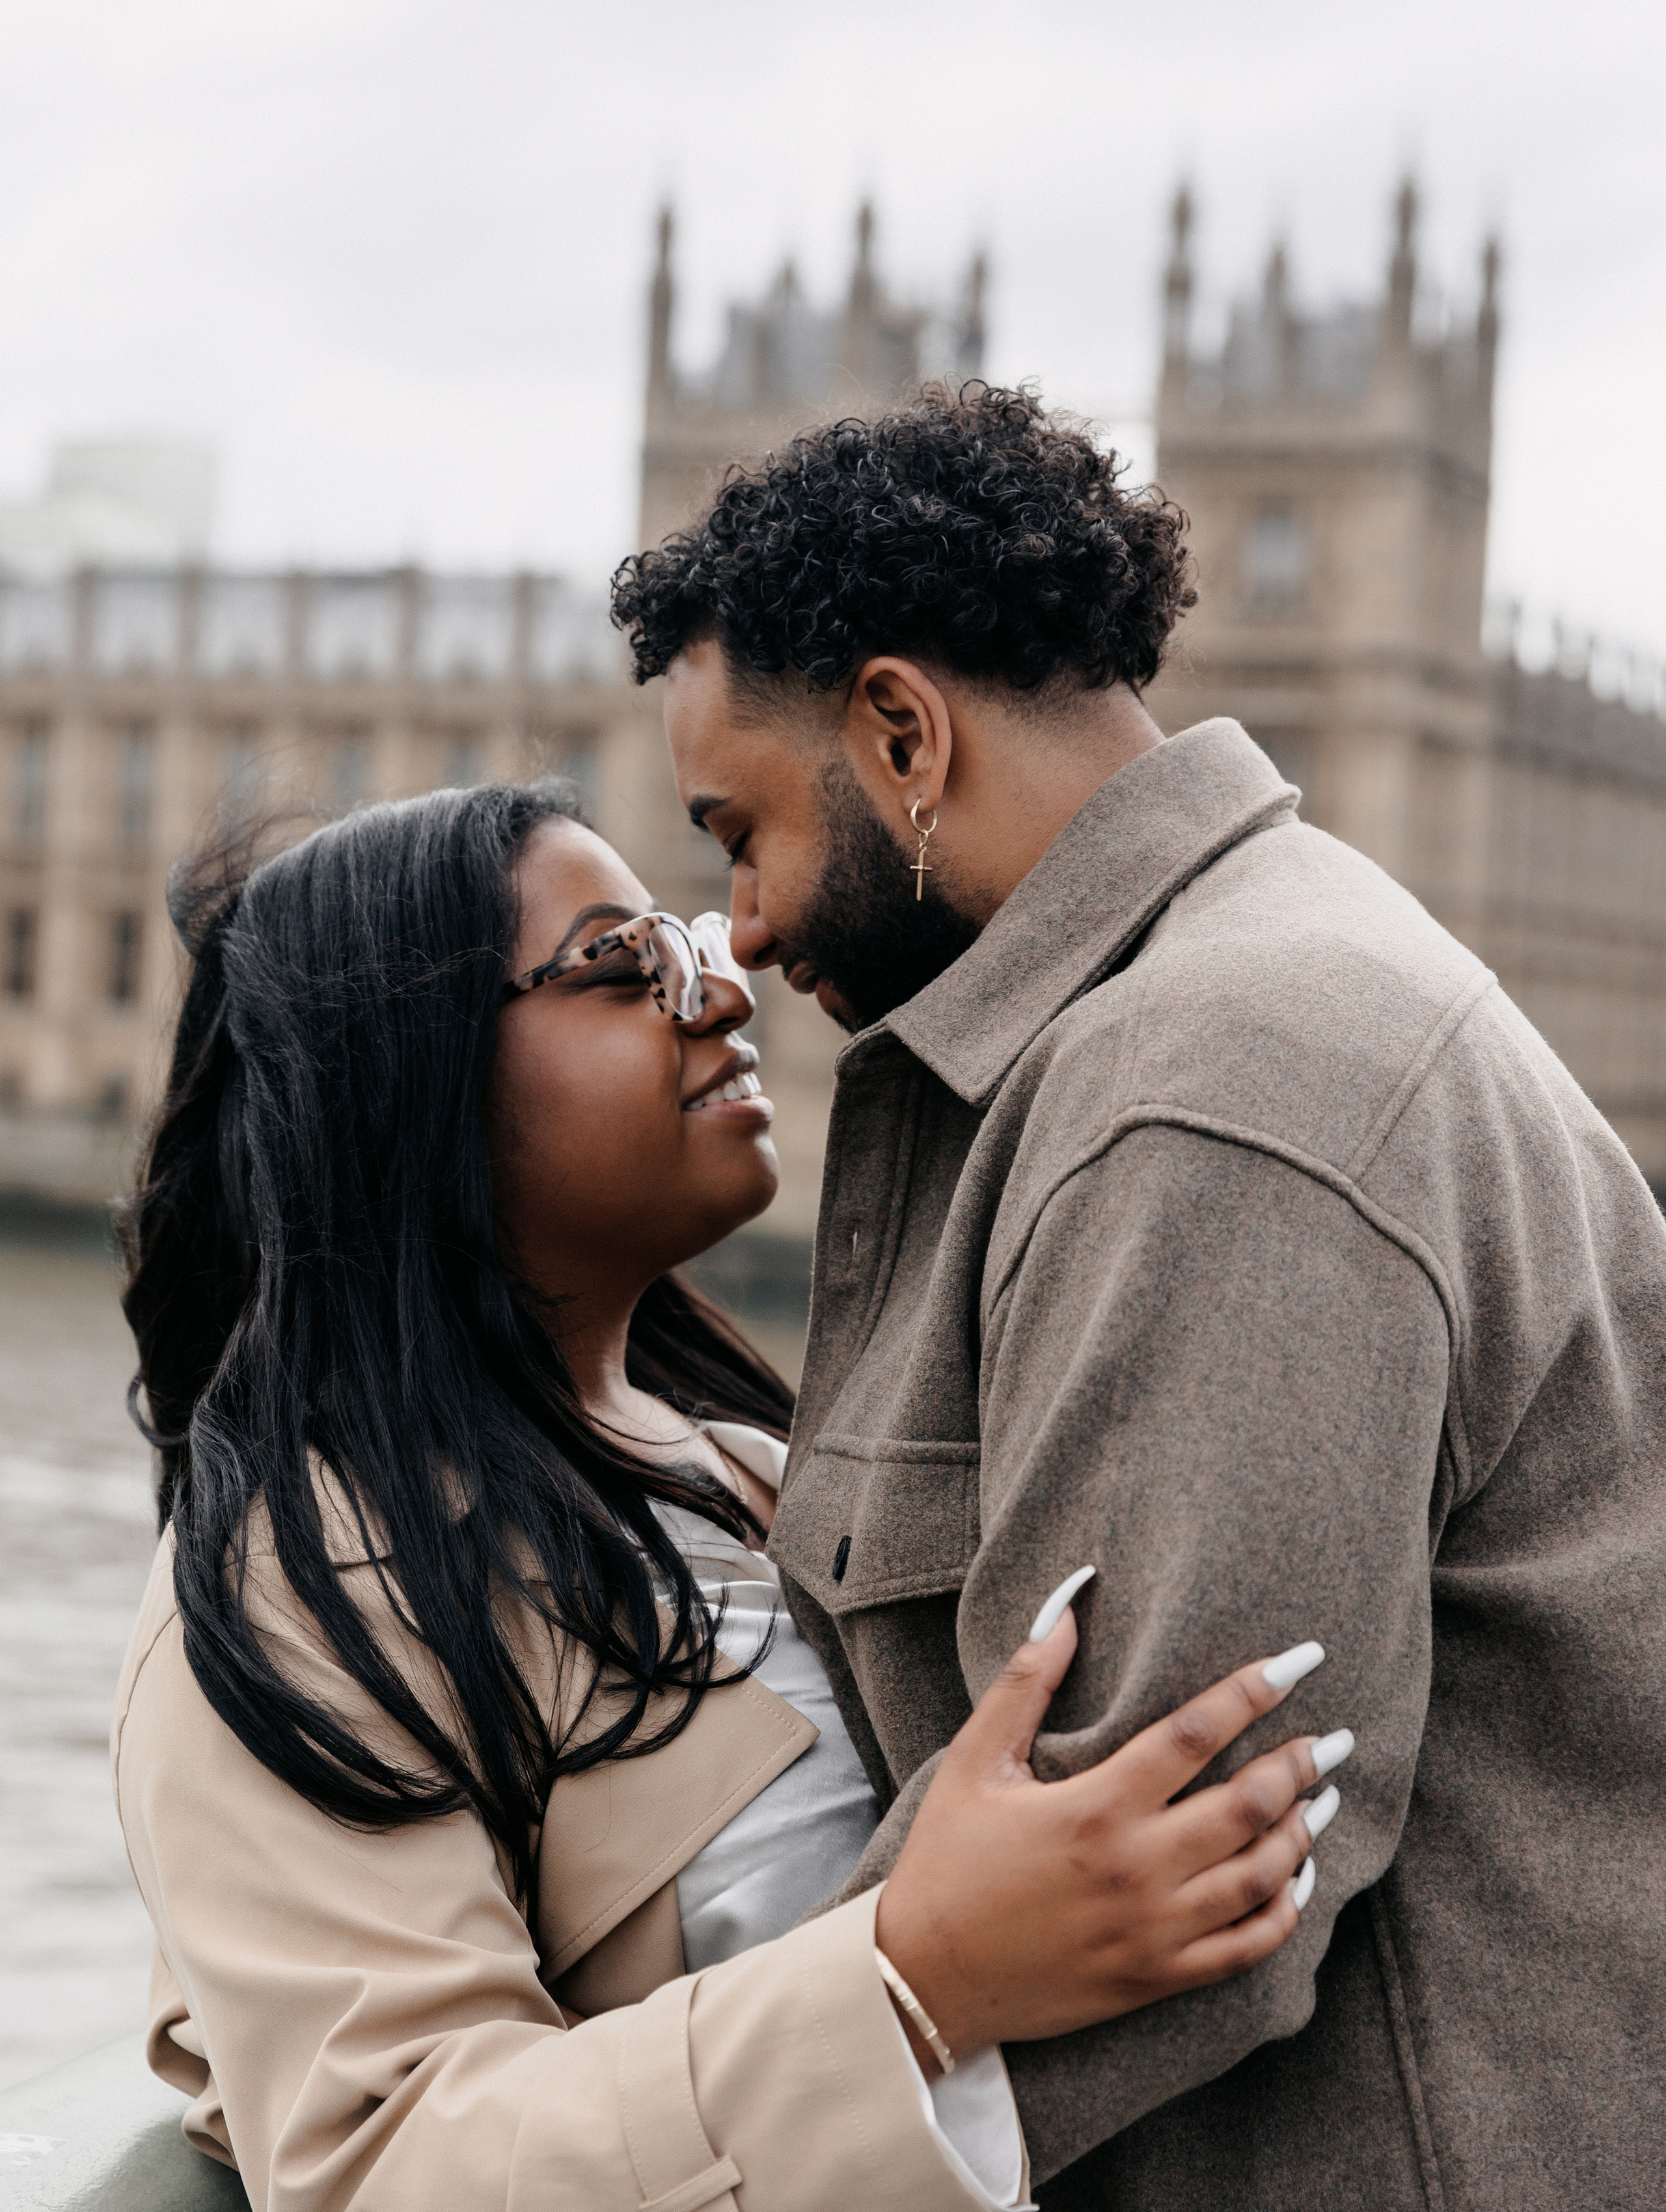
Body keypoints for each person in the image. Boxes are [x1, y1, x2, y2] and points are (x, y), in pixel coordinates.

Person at [612, 380, 1666, 2212]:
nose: (748, 929)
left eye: (738, 831)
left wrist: (629, 2149)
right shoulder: (1202, 999)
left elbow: (1153, 1888)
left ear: (900, 734)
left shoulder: (1211, 1089)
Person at [112, 778, 1347, 2212]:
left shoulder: (759, 1467)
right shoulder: (298, 1585)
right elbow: (384, 2157)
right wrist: (917, 1980)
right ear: (406, 1073)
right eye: (622, 968)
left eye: (687, 941)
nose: (720, 989)